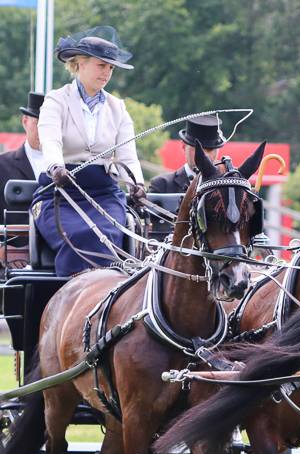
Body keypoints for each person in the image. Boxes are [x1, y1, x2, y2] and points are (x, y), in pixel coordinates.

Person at [32, 25, 145, 276]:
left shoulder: (118, 108)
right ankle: (74, 293)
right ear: (79, 64)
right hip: (60, 192)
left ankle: (106, 295)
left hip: (104, 194)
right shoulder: (56, 100)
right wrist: (56, 167)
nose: (107, 73)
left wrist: (136, 184)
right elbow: (50, 141)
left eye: (111, 68)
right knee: (80, 234)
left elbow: (127, 155)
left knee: (105, 233)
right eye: (101, 65)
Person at [149, 115, 225, 194]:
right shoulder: (162, 186)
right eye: (198, 149)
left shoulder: (227, 187)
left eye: (210, 149)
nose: (204, 156)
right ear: (184, 146)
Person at [0, 93, 46, 211]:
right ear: (25, 121)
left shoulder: (67, 165)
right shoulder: (2, 165)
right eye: (37, 123)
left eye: (48, 125)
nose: (43, 130)